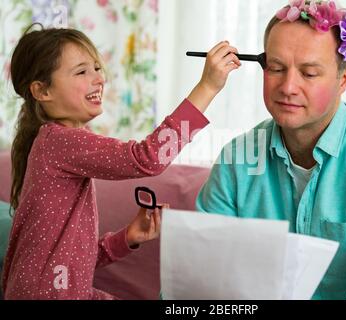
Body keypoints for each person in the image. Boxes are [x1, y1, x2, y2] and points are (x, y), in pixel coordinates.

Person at [196, 0, 346, 300]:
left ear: (343, 79)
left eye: (309, 73)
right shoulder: (236, 160)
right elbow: (201, 272)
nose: (288, 86)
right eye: (276, 68)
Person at [1, 24, 241, 300]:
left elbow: (69, 264)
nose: (98, 79)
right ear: (42, 91)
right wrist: (208, 86)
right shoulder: (60, 141)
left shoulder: (57, 145)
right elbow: (147, 158)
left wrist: (128, 237)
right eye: (81, 72)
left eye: (96, 68)